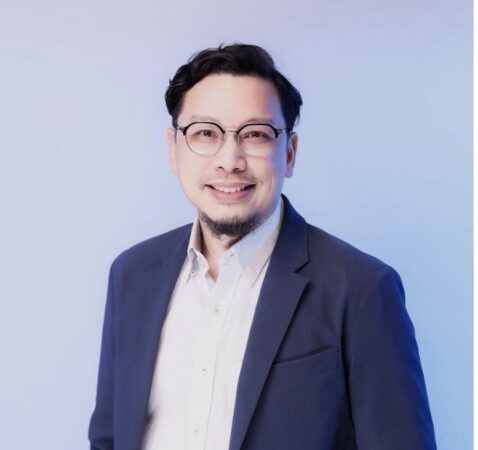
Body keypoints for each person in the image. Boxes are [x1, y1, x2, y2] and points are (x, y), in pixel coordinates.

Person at [88, 44, 436, 450]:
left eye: (255, 134)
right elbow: (109, 438)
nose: (230, 160)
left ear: (289, 153)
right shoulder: (132, 274)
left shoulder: (361, 289)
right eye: (205, 133)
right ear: (174, 149)